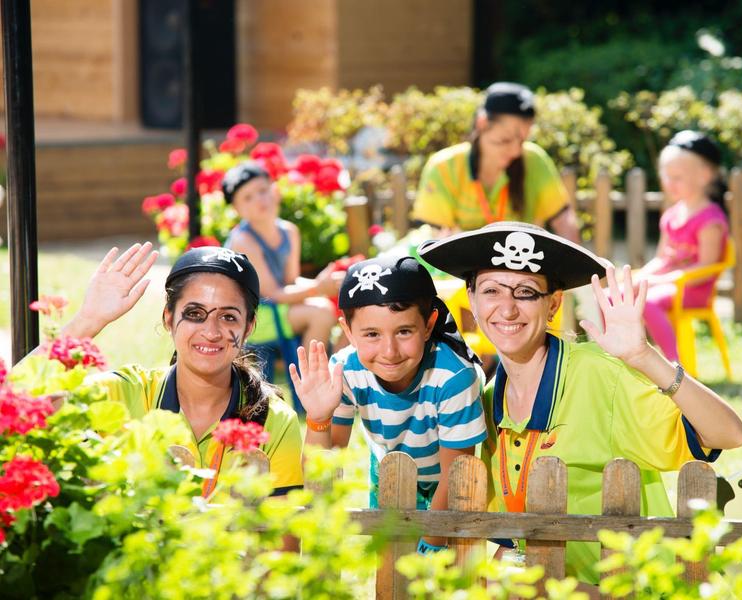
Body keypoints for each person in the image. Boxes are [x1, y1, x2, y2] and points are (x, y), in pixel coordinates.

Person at [417, 222, 742, 584]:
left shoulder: (599, 376)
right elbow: (510, 534)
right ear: (473, 300)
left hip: (625, 587)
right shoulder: (493, 397)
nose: (507, 310)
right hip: (551, 587)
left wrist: (644, 357)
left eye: (525, 292)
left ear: (554, 304)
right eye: (492, 290)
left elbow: (728, 434)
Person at [56, 242, 304, 499]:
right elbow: (18, 403)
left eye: (228, 317)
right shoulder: (123, 394)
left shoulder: (275, 420)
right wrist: (87, 320)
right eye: (195, 313)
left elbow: (283, 537)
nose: (211, 332)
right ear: (168, 318)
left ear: (249, 326)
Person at [288, 256, 487, 553]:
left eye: (404, 331)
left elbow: (455, 473)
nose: (389, 351)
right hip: (391, 474)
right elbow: (327, 464)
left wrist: (433, 541)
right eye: (371, 335)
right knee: (391, 574)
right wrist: (318, 418)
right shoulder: (345, 370)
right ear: (348, 331)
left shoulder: (454, 377)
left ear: (429, 324)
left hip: (449, 489)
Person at [411, 82, 580, 243]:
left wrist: (579, 268)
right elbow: (434, 237)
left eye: (522, 142)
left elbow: (564, 220)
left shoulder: (535, 160)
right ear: (482, 124)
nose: (515, 151)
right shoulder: (444, 167)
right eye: (504, 140)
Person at [223, 162, 342, 350]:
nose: (258, 200)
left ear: (275, 191)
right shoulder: (244, 240)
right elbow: (273, 294)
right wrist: (317, 288)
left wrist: (327, 284)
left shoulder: (289, 231)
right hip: (253, 316)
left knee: (339, 308)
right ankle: (310, 377)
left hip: (277, 308)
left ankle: (336, 369)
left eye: (263, 190)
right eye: (247, 198)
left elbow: (290, 280)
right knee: (322, 313)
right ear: (237, 210)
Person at [636, 130, 730, 362]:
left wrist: (661, 280)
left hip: (692, 290)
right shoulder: (672, 215)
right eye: (666, 176)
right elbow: (662, 259)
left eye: (677, 177)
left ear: (704, 176)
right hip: (668, 285)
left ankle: (674, 366)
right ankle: (619, 360)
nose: (670, 183)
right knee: (612, 295)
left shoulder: (709, 219)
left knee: (647, 300)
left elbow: (706, 266)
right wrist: (639, 276)